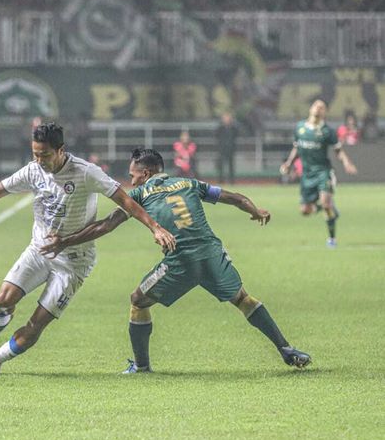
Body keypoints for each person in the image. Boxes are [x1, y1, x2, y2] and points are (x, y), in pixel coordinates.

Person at [0, 123, 176, 375]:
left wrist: (155, 227)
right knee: (1, 302)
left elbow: (125, 200)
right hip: (40, 251)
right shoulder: (33, 171)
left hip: (73, 262)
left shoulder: (86, 172)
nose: (39, 160)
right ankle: (1, 319)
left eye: (44, 155)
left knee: (36, 324)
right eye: (35, 154)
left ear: (61, 150)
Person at [41, 148, 312, 372]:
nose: (131, 181)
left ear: (145, 174)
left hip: (180, 260)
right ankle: (286, 348)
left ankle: (142, 366)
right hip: (211, 253)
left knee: (137, 301)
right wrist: (255, 210)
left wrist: (64, 241)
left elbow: (106, 225)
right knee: (244, 299)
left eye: (133, 175)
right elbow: (234, 197)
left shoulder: (138, 194)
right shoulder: (190, 183)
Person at [280, 100, 357, 248]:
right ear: (310, 109)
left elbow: (338, 151)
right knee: (305, 211)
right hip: (307, 175)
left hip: (323, 172)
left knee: (326, 203)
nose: (318, 108)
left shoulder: (327, 131)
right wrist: (288, 163)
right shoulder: (300, 128)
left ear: (324, 113)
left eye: (322, 107)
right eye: (316, 105)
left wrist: (347, 163)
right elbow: (296, 148)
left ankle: (332, 238)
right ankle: (326, 207)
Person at [216, 112, 238, 184]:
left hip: (231, 149)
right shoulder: (220, 128)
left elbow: (236, 135)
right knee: (221, 166)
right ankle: (221, 180)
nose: (226, 120)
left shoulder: (233, 128)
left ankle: (232, 181)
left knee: (231, 166)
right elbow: (216, 136)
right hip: (222, 149)